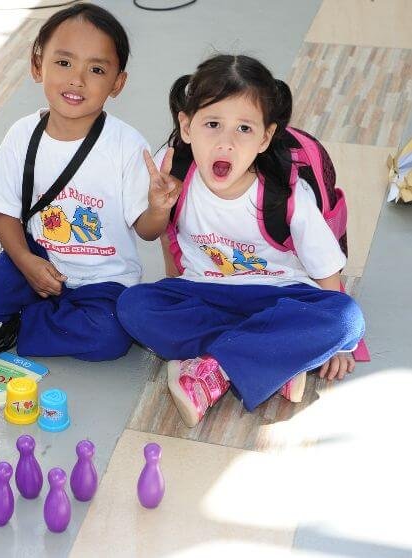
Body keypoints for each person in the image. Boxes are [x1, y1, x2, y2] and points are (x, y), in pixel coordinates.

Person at [116, 54, 365, 427]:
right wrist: (157, 207)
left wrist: (341, 346)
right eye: (212, 124)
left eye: (244, 128)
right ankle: (273, 356)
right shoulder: (173, 171)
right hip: (204, 293)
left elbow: (328, 272)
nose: (226, 143)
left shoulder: (286, 193)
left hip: (281, 297)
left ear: (266, 137)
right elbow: (149, 232)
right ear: (186, 127)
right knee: (133, 305)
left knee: (347, 319)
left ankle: (215, 368)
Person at [0, 4, 175, 362]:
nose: (77, 79)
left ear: (117, 83)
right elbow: (4, 214)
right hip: (37, 258)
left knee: (109, 335)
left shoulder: (126, 145)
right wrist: (25, 262)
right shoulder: (22, 135)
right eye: (64, 63)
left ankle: (14, 319)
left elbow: (147, 231)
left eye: (96, 69)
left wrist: (158, 210)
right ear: (37, 66)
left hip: (104, 281)